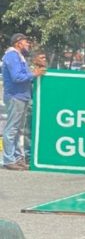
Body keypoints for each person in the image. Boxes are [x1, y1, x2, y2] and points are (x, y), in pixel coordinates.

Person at [1, 33, 45, 170]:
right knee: (12, 129)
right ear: (18, 43)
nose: (28, 44)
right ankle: (9, 160)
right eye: (26, 42)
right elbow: (17, 77)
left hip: (22, 96)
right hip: (15, 96)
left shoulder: (19, 57)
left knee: (18, 130)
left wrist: (34, 72)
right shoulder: (12, 56)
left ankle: (18, 158)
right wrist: (34, 74)